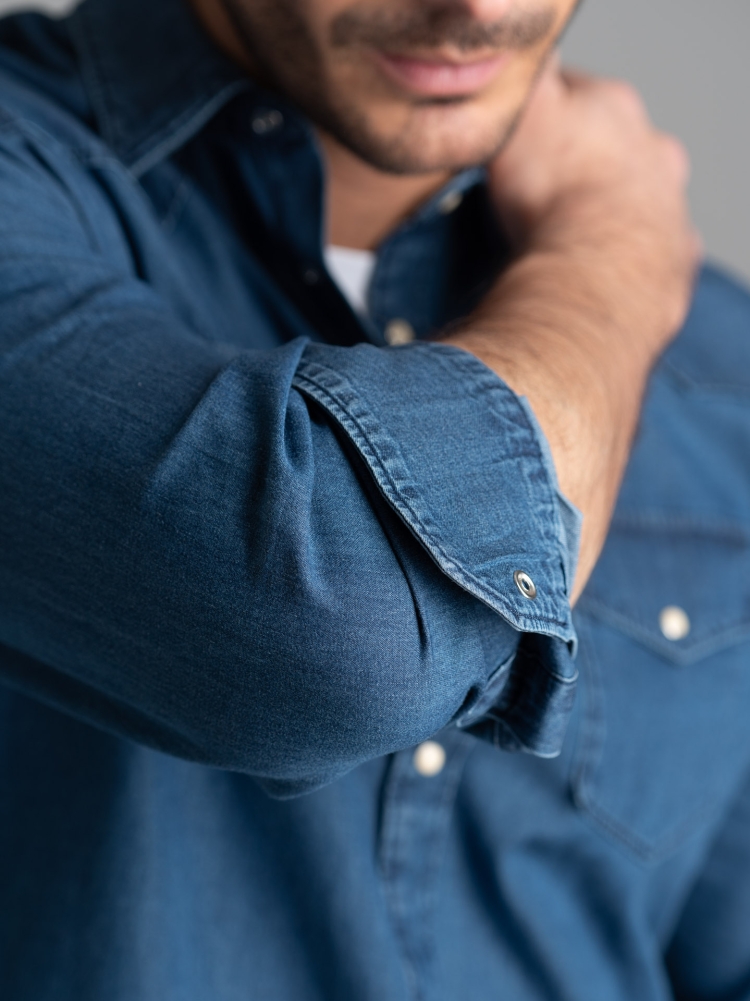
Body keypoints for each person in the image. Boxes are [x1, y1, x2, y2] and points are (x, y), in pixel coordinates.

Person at [1, 0, 750, 996]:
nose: (481, 9)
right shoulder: (630, 279)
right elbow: (337, 633)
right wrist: (609, 256)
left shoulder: (723, 370)